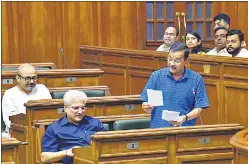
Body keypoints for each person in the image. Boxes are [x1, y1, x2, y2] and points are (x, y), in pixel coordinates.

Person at [141, 43, 209, 128]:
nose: (172, 63)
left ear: (186, 61)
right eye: (170, 59)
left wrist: (184, 118)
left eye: (177, 61)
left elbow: (199, 108)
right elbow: (145, 101)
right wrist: (146, 106)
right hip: (158, 130)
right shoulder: (156, 76)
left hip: (184, 131)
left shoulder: (196, 79)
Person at [41, 90, 106, 164]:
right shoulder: (54, 128)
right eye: (76, 108)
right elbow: (44, 158)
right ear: (65, 108)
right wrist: (66, 152)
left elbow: (107, 145)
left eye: (83, 108)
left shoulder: (95, 123)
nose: (80, 112)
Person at [2, 63, 52, 134]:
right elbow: (9, 121)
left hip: (42, 130)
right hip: (18, 133)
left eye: (34, 78)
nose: (31, 81)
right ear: (18, 78)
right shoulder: (9, 94)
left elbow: (50, 113)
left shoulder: (43, 89)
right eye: (28, 78)